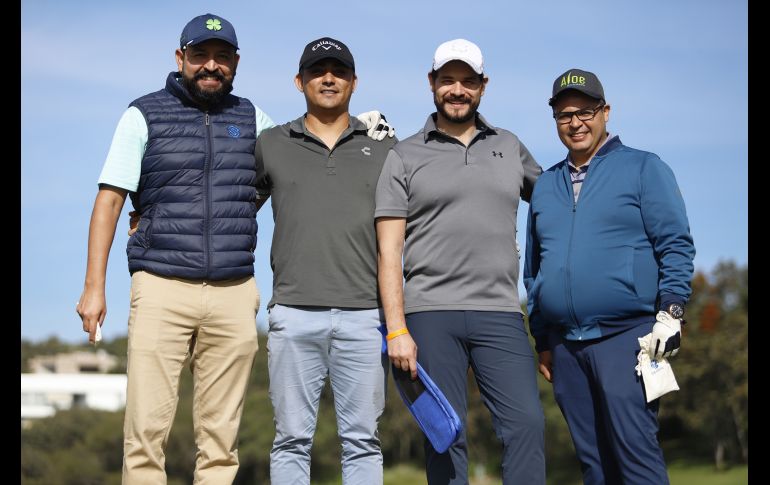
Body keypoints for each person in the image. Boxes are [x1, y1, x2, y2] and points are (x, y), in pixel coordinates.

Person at [76, 14, 390, 483]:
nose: (211, 66)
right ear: (180, 58)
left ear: (236, 63)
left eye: (222, 57)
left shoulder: (254, 121)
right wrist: (93, 288)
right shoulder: (142, 114)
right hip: (161, 286)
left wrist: (369, 130)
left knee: (222, 445)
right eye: (200, 55)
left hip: (234, 292)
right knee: (145, 435)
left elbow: (298, 154)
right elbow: (110, 202)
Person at [375, 38, 545, 484]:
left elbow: (557, 203)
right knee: (444, 437)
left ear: (483, 87)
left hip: (501, 313)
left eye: (468, 81)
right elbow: (389, 251)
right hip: (430, 313)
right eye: (448, 80)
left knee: (526, 424)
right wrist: (396, 330)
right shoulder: (405, 155)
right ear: (431, 83)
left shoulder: (509, 146)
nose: (457, 90)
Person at [523, 68, 696, 485]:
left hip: (627, 338)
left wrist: (671, 312)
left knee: (636, 459)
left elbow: (675, 243)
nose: (576, 123)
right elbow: (535, 269)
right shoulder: (545, 185)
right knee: (594, 466)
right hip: (566, 348)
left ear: (605, 112)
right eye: (565, 115)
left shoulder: (643, 168)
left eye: (585, 112)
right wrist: (543, 339)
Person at [253, 37, 396, 485]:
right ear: (300, 82)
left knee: (363, 442)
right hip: (293, 314)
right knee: (291, 439)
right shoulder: (271, 143)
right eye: (318, 70)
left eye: (338, 71)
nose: (328, 78)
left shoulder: (386, 149)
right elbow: (229, 206)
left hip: (364, 316)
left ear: (354, 82)